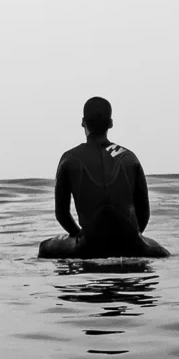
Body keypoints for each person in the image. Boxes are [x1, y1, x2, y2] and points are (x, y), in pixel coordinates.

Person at [39, 96, 168, 258]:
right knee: (162, 252)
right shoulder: (129, 157)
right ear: (110, 123)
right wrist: (133, 237)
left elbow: (62, 215)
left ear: (83, 123)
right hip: (130, 243)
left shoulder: (69, 158)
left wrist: (79, 234)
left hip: (89, 244)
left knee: (44, 247)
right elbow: (144, 214)